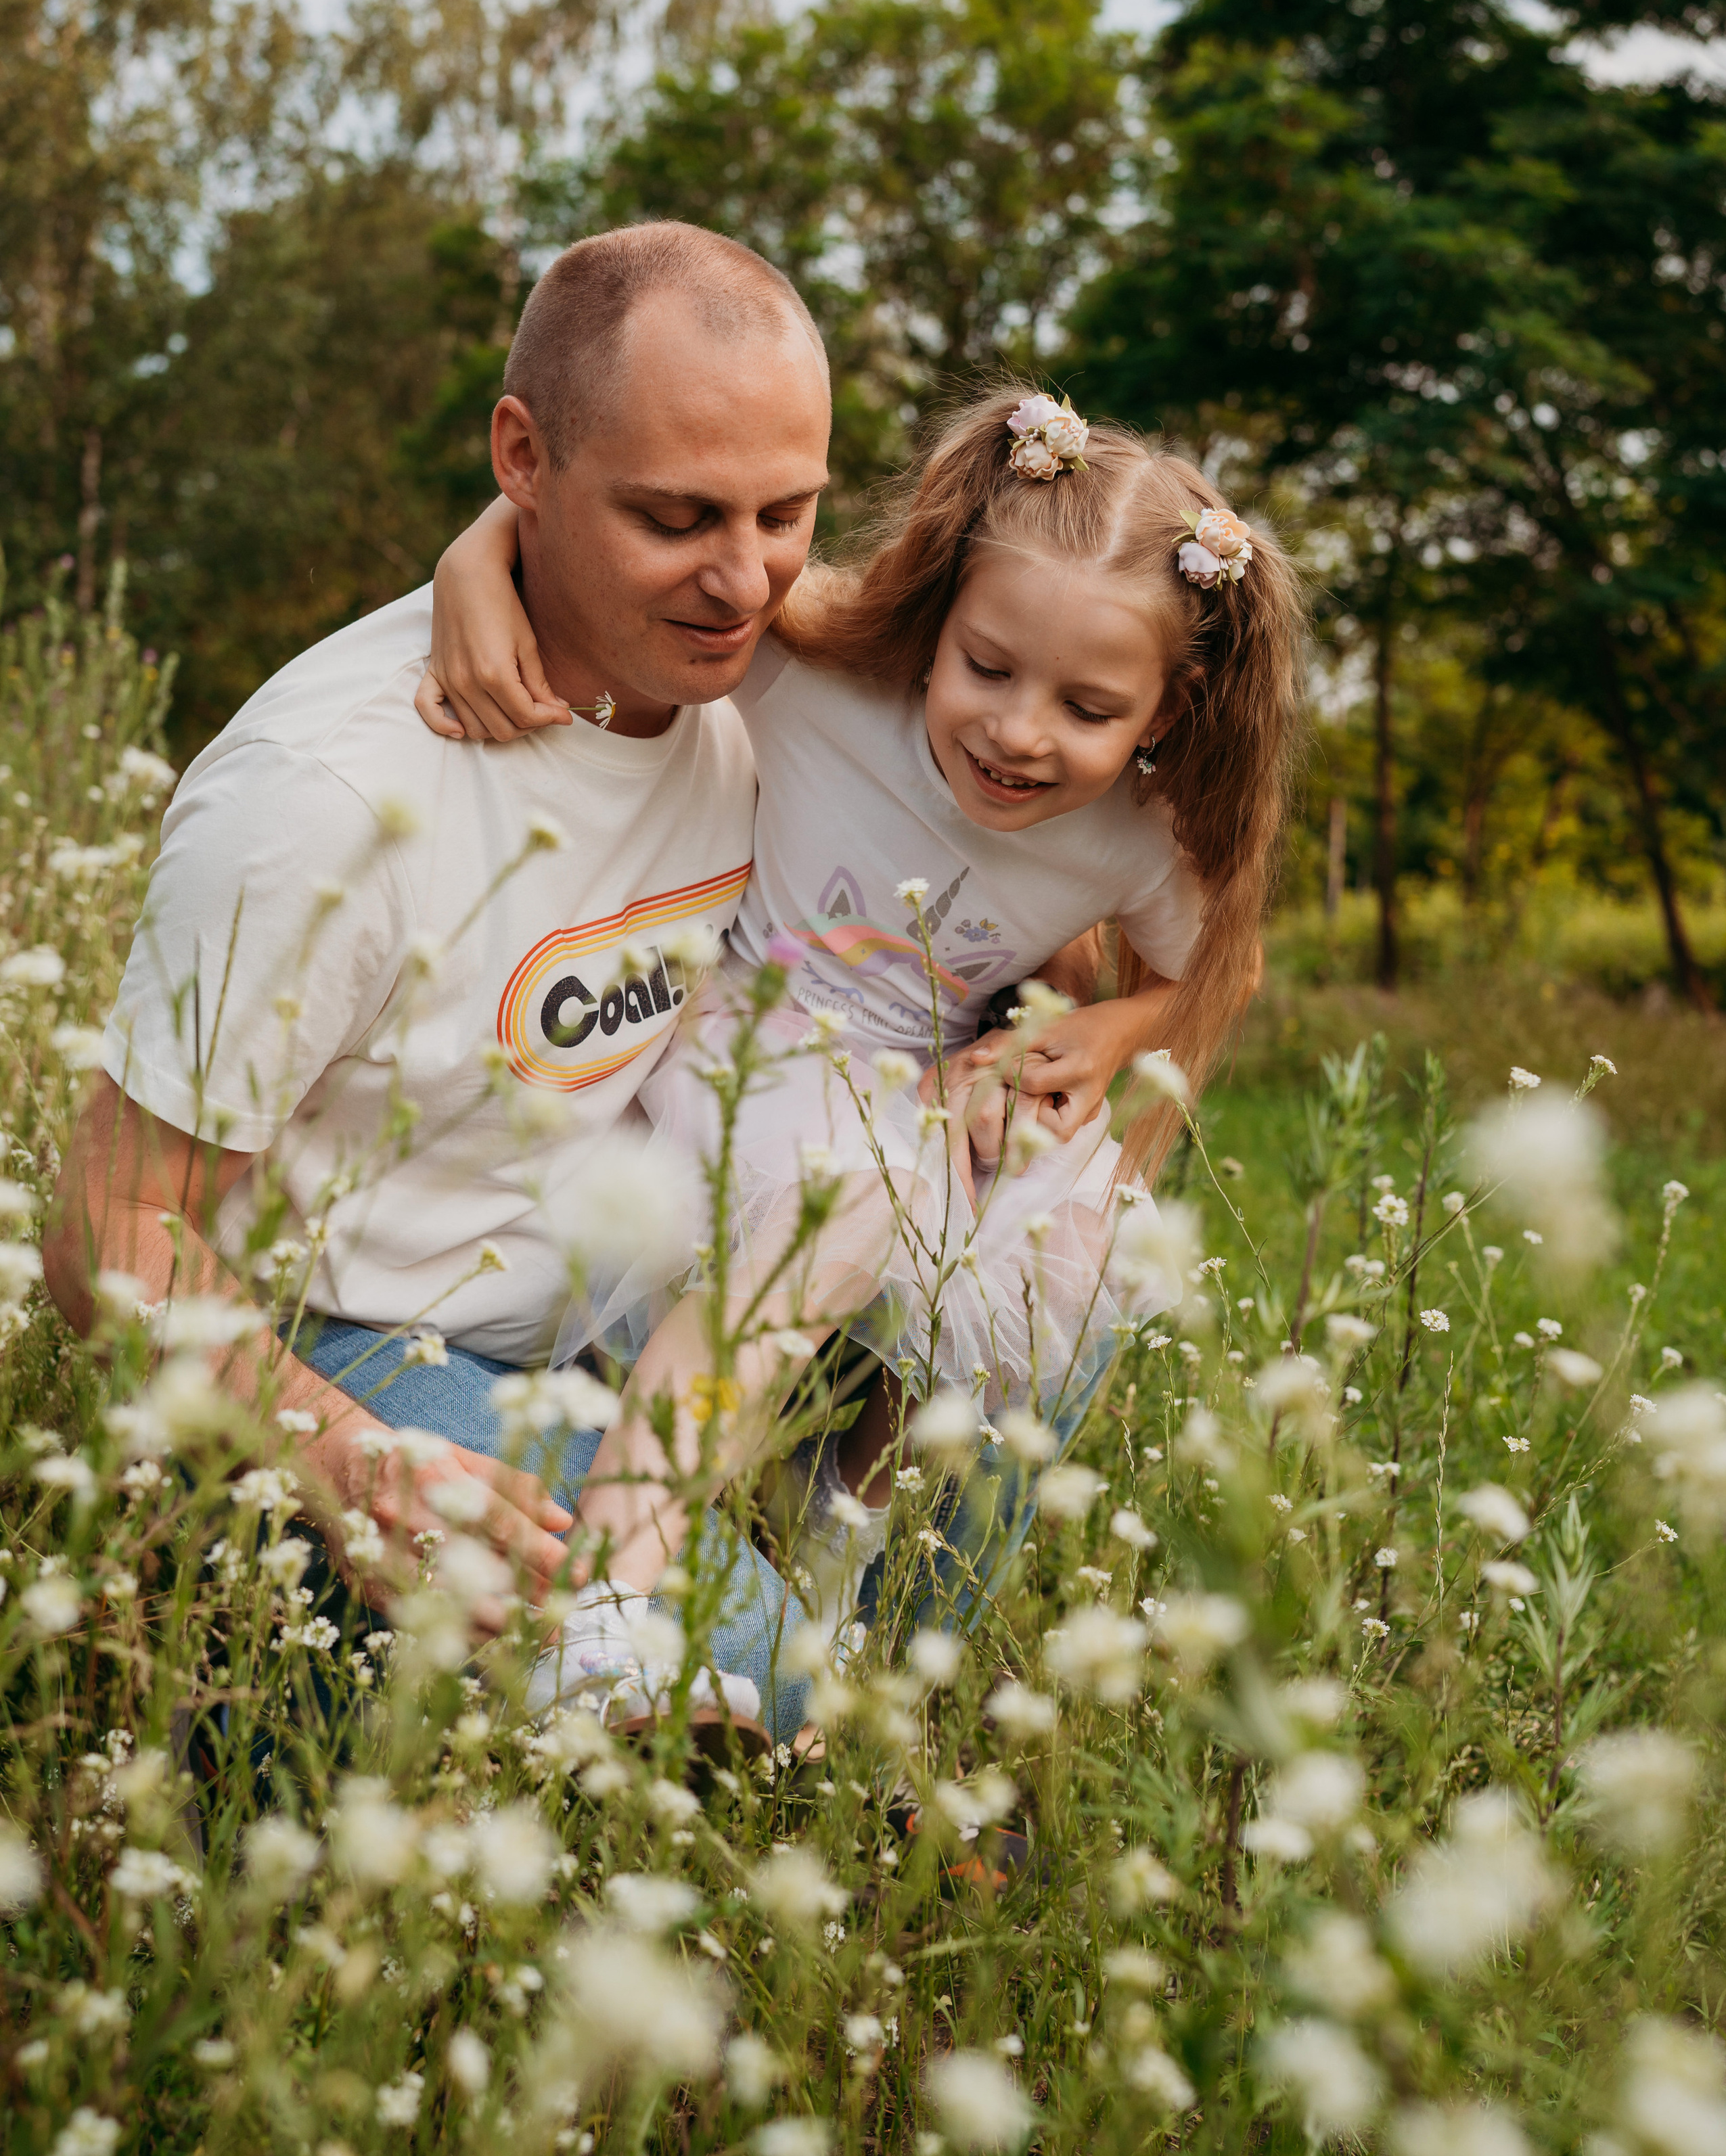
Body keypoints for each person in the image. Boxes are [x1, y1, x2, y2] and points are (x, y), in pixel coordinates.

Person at [43, 219, 837, 1743]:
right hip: (359, 1344)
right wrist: (339, 1459)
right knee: (771, 1685)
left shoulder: (758, 675)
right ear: (521, 456)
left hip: (625, 1311)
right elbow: (106, 1229)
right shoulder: (320, 799)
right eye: (675, 516)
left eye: (785, 510)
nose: (746, 581)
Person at [413, 389, 1307, 1692]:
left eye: (1087, 708)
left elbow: (1221, 970)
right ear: (939, 622)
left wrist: (1112, 1032)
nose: (1017, 731)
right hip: (738, 1049)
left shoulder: (1131, 838)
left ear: (1165, 716)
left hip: (925, 1088)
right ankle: (608, 1598)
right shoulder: (811, 676)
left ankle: (851, 1592)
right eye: (987, 669)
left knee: (1049, 1254)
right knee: (824, 1221)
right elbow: (634, 556)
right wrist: (479, 552)